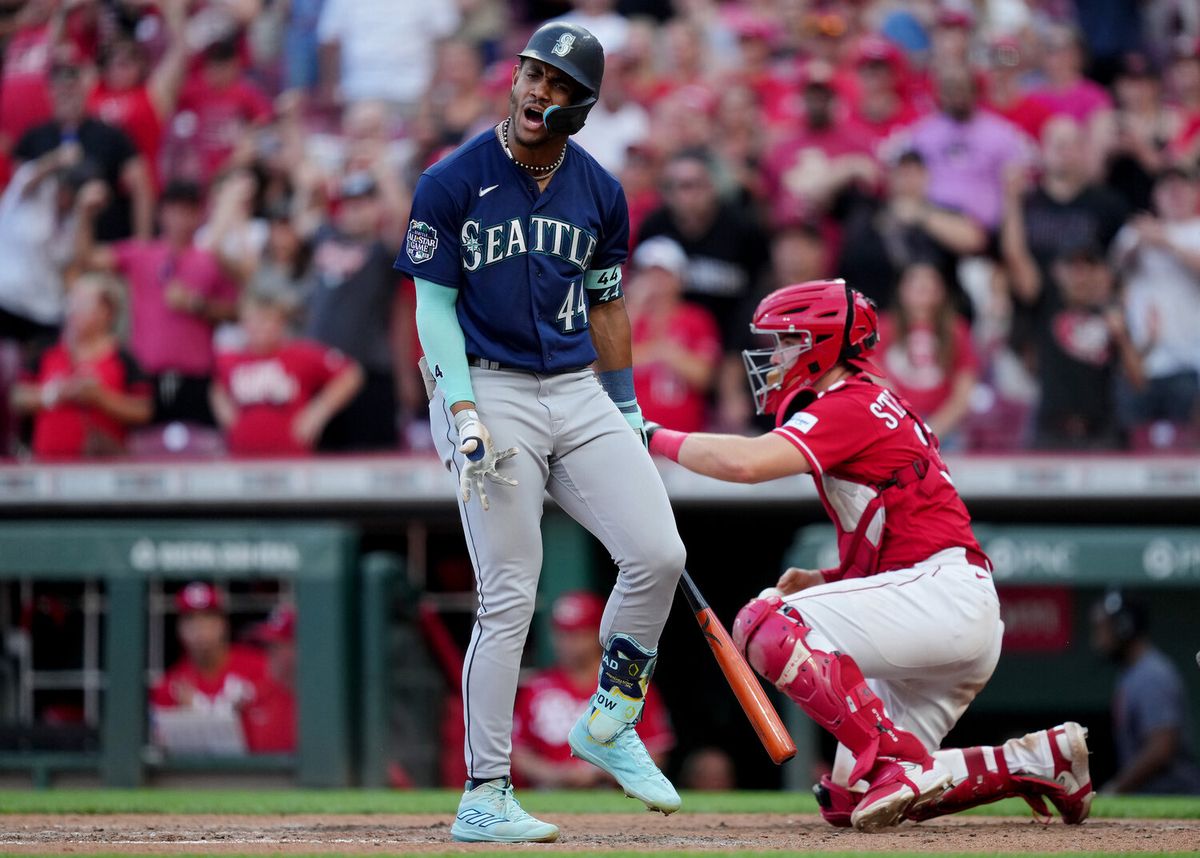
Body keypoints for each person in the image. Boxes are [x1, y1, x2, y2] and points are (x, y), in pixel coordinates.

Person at [642, 279, 1093, 831]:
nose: (775, 356)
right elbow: (895, 530)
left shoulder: (851, 402)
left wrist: (651, 435)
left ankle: (891, 759)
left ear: (822, 345)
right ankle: (1037, 763)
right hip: (942, 601)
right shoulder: (870, 399)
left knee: (763, 621)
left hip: (943, 595)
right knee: (849, 801)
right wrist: (829, 578)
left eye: (787, 343)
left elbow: (746, 466)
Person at [394, 22, 686, 843]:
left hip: (575, 386)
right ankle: (485, 792)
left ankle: (609, 719)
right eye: (531, 73)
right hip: (487, 384)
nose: (536, 92)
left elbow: (606, 301)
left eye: (558, 86)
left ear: (581, 109)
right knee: (510, 594)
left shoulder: (598, 189)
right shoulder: (452, 180)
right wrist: (459, 407)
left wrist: (625, 405)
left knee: (660, 552)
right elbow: (432, 308)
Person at [74, 179, 240, 427]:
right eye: (176, 210)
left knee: (200, 450)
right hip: (146, 376)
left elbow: (235, 313)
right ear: (162, 213)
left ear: (199, 215)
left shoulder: (212, 259)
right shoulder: (141, 254)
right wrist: (85, 216)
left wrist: (197, 304)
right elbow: (87, 260)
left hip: (196, 378)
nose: (182, 219)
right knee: (142, 453)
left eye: (189, 211)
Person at [511, 591, 674, 789]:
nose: (567, 643)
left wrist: (602, 773)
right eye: (561, 634)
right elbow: (518, 753)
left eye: (577, 634)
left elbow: (656, 750)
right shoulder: (537, 688)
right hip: (551, 791)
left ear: (598, 634)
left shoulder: (628, 685)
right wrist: (557, 774)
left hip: (614, 792)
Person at [11, 272, 152, 459]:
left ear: (106, 312)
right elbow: (18, 397)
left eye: (83, 304)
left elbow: (143, 410)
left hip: (104, 471)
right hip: (47, 470)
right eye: (71, 302)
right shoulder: (45, 349)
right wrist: (54, 394)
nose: (72, 311)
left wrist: (101, 398)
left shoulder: (124, 358)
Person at [211, 288, 364, 457]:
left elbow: (350, 374)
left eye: (267, 320)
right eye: (254, 321)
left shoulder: (300, 355)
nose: (260, 328)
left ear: (281, 323)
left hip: (291, 459)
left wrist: (317, 413)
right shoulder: (231, 359)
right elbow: (218, 387)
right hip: (242, 458)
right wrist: (229, 418)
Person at [1090, 591, 1200, 794]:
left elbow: (1162, 747)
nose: (1100, 637)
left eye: (1104, 627)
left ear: (1124, 627)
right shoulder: (1132, 673)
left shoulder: (1151, 674)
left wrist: (1116, 788)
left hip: (1174, 794)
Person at [149, 581, 269, 754]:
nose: (200, 628)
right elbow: (162, 750)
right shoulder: (170, 685)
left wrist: (199, 715)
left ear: (224, 624)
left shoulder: (259, 666)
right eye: (190, 619)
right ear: (179, 629)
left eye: (208, 617)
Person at [877, 263, 980, 448]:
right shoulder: (881, 328)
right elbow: (875, 383)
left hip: (944, 430)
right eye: (916, 282)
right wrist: (907, 427)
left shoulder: (957, 330)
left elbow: (962, 396)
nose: (923, 288)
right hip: (893, 425)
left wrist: (930, 431)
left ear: (942, 291)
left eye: (930, 282)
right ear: (902, 290)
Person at [627, 236, 721, 433]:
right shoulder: (628, 317)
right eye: (648, 274)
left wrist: (663, 353)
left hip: (682, 438)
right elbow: (606, 367)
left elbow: (703, 377)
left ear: (680, 278)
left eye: (664, 274)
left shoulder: (697, 318)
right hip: (631, 437)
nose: (656, 282)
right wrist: (633, 305)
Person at [242, 603, 298, 754]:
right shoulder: (255, 696)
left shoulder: (326, 703)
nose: (269, 654)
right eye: (267, 646)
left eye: (277, 646)